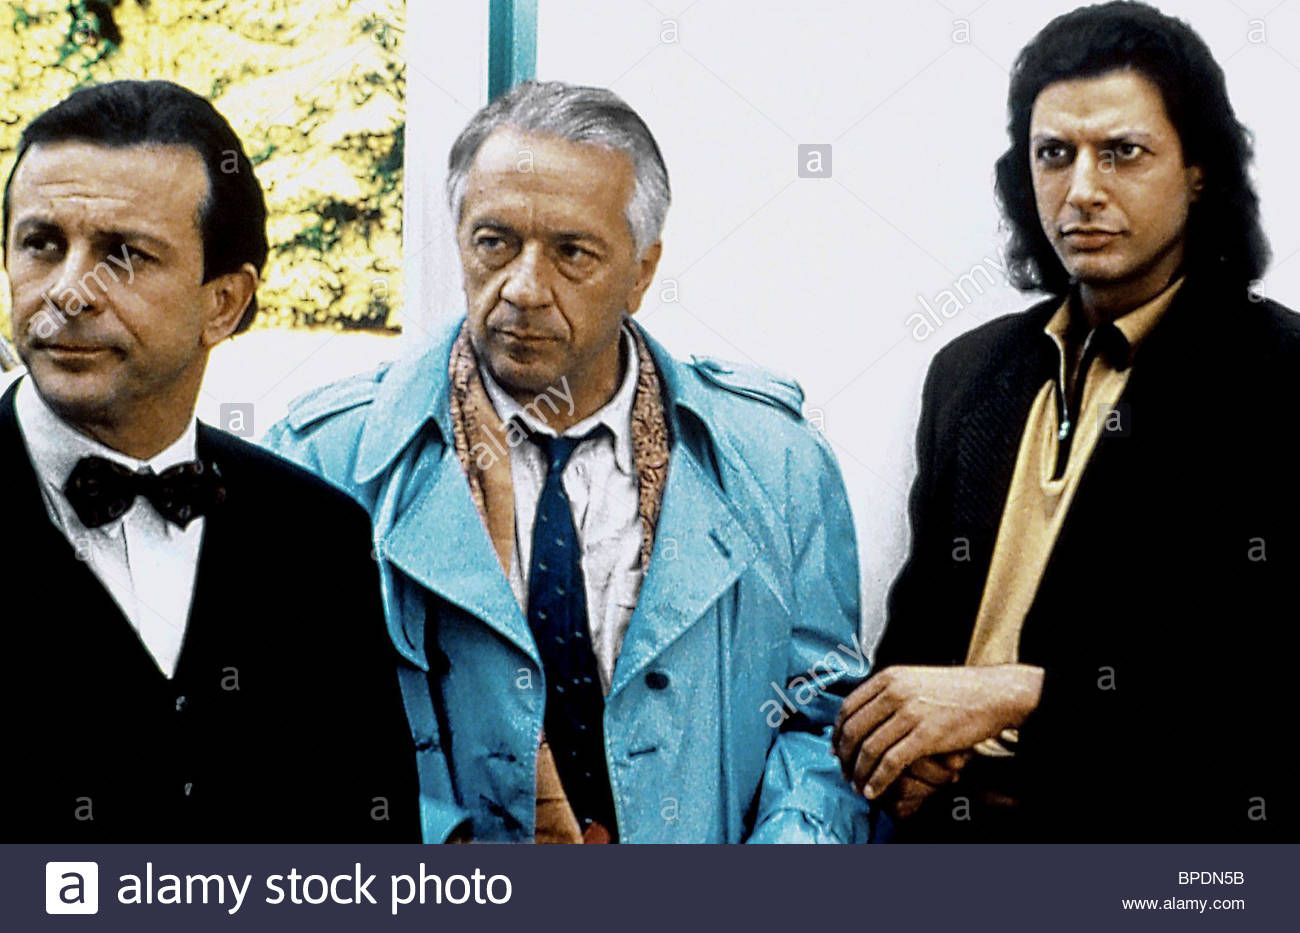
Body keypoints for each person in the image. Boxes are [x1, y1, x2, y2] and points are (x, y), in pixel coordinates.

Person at [265, 80, 870, 843]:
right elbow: (277, 732)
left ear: (641, 272)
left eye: (571, 252)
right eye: (494, 242)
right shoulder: (324, 459)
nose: (523, 288)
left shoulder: (775, 459)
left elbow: (825, 719)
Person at [834, 1, 1299, 842]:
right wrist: (902, 742)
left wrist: (1020, 694)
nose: (1082, 190)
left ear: (1199, 171)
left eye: (1122, 152)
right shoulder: (970, 374)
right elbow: (916, 640)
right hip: (945, 838)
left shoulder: (1279, 375)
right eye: (1055, 153)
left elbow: (1265, 686)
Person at [1, 80, 418, 841]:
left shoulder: (317, 537)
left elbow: (370, 861)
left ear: (223, 303)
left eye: (123, 255)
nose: (68, 292)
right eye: (42, 244)